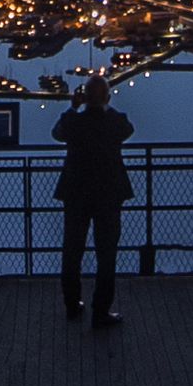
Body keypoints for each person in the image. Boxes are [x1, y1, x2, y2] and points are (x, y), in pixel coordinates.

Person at [50, 74, 135, 329]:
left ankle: (72, 304)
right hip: (108, 194)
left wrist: (74, 107)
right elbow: (128, 129)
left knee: (72, 250)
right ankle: (101, 310)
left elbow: (57, 133)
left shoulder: (74, 123)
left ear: (84, 97)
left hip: (76, 193)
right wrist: (103, 103)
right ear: (107, 98)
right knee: (106, 254)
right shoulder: (114, 122)